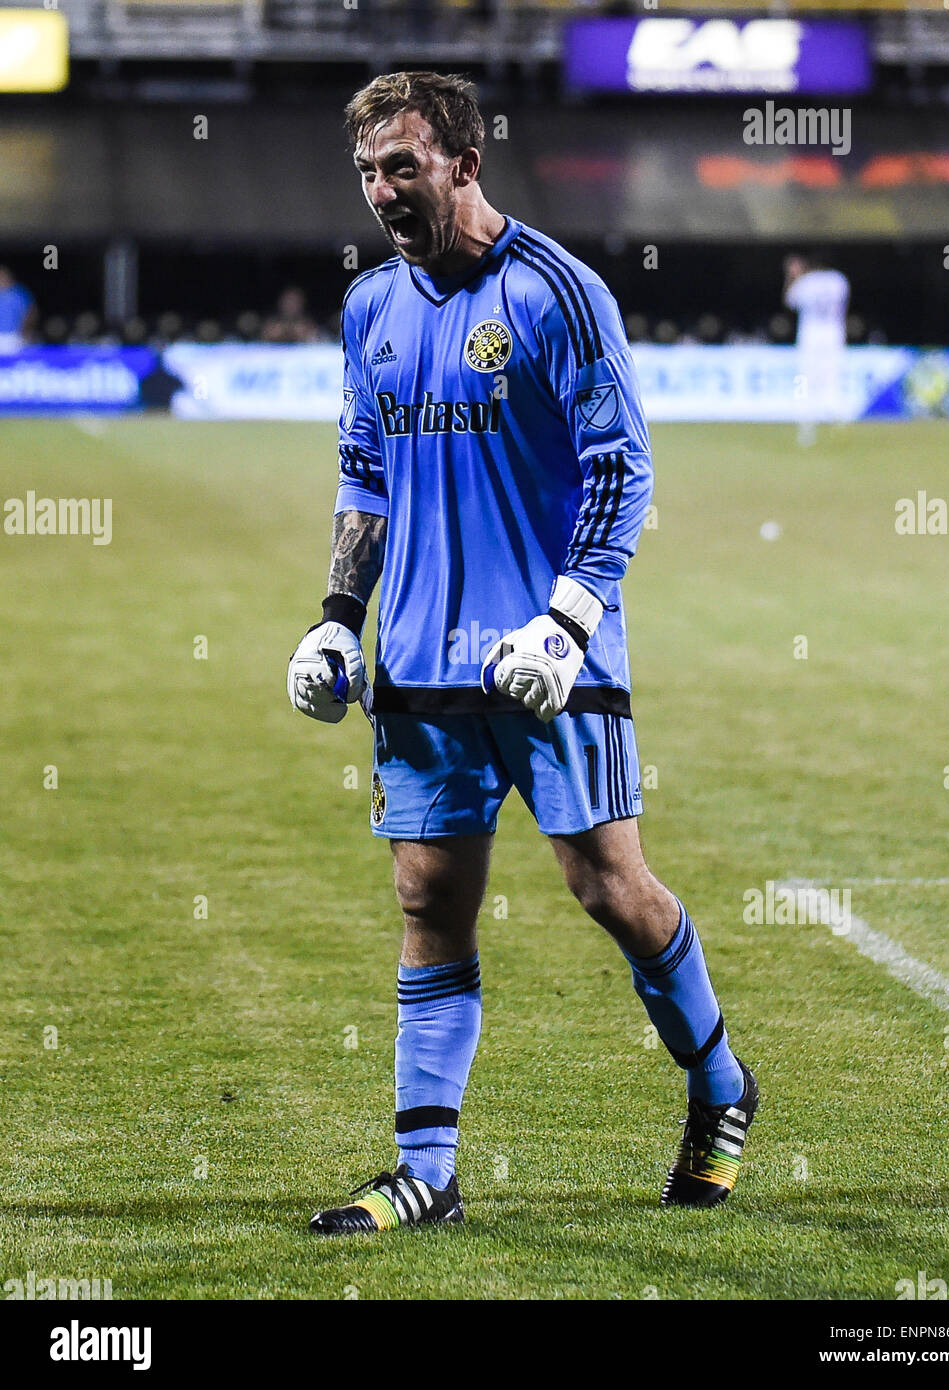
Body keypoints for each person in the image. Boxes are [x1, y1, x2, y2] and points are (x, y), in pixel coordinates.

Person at [287, 71, 758, 1236]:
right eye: (365, 172)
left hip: (550, 657)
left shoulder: (557, 290)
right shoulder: (369, 310)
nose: (382, 191)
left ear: (462, 159)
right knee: (426, 895)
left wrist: (569, 615)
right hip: (418, 664)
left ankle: (719, 1085)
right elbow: (365, 475)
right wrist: (338, 615)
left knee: (607, 887)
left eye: (402, 165)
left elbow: (619, 467)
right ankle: (426, 1170)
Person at [783, 253, 850, 445]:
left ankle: (806, 426)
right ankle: (838, 422)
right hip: (833, 335)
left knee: (804, 380)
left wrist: (794, 276)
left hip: (810, 336)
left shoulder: (807, 281)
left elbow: (790, 301)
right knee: (832, 377)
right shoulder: (839, 280)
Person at [0, 265, 37, 353]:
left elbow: (31, 313)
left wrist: (26, 331)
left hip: (14, 336)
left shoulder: (19, 293)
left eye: (3, 275)